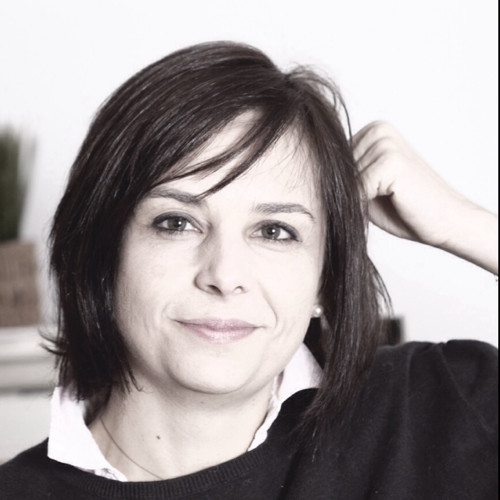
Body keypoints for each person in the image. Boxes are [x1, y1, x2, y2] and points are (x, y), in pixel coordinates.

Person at [0, 41, 497, 499]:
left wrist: (465, 225)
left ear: (325, 279)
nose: (224, 275)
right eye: (176, 223)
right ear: (102, 254)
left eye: (275, 231)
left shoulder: (438, 406)